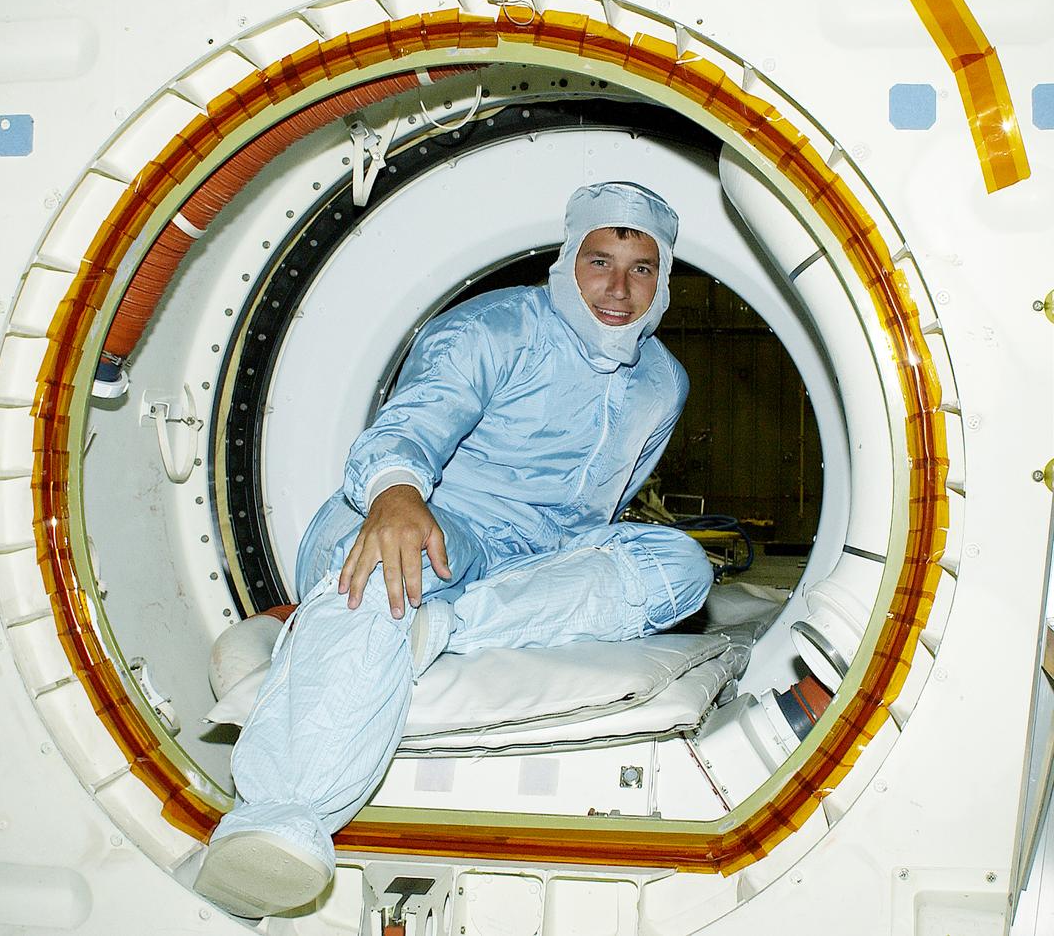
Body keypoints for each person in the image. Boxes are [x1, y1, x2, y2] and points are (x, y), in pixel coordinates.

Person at [196, 181, 713, 917]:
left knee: (681, 568)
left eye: (642, 269)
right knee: (392, 569)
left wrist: (586, 571)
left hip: (534, 558)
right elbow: (409, 426)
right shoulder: (492, 329)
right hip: (436, 517)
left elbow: (609, 501)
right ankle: (277, 820)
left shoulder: (664, 380)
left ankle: (441, 628)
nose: (618, 289)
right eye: (600, 261)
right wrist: (397, 495)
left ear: (663, 281)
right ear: (568, 260)